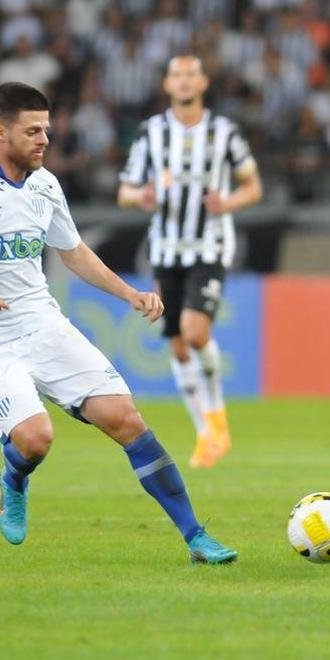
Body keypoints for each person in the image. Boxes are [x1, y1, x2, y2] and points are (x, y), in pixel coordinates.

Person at [0, 82, 236, 563]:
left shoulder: (45, 184)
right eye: (32, 131)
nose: (44, 140)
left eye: (46, 130)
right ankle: (13, 479)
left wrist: (130, 293)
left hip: (42, 324)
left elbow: (72, 251)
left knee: (126, 419)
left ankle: (197, 537)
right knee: (36, 439)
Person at [118, 56, 263, 468]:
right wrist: (140, 196)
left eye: (190, 74)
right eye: (176, 75)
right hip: (165, 249)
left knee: (195, 333)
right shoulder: (151, 133)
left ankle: (217, 416)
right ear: (167, 83)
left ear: (203, 81)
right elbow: (125, 191)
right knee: (178, 346)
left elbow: (253, 186)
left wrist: (228, 201)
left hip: (209, 245)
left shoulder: (224, 132)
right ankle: (205, 433)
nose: (183, 81)